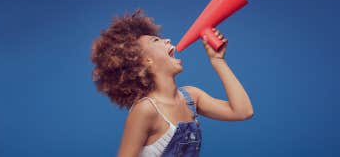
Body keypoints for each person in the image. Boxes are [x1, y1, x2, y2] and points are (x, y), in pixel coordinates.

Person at [90, 9, 254, 157]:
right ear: (146, 61)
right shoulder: (146, 109)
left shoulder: (192, 97)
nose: (167, 39)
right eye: (155, 40)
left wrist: (218, 61)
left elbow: (242, 111)